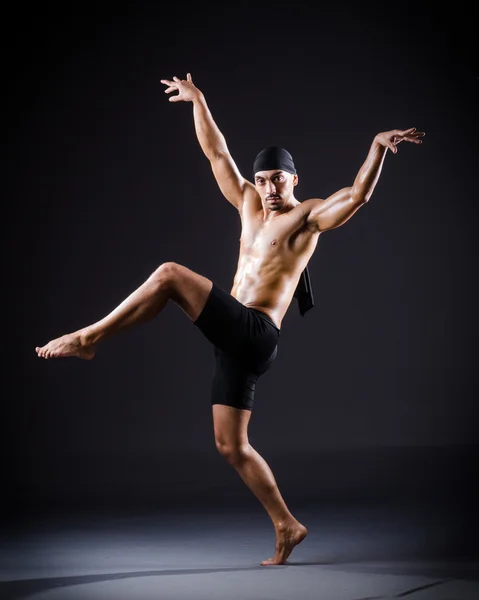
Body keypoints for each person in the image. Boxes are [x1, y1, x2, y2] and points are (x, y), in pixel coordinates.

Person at [35, 72, 424, 565]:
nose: (267, 187)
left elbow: (356, 197)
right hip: (233, 339)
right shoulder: (246, 202)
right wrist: (198, 99)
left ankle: (88, 337)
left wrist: (375, 147)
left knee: (170, 275)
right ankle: (288, 525)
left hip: (257, 331)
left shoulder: (306, 216)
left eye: (277, 178)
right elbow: (216, 153)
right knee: (230, 445)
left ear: (295, 179)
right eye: (261, 179)